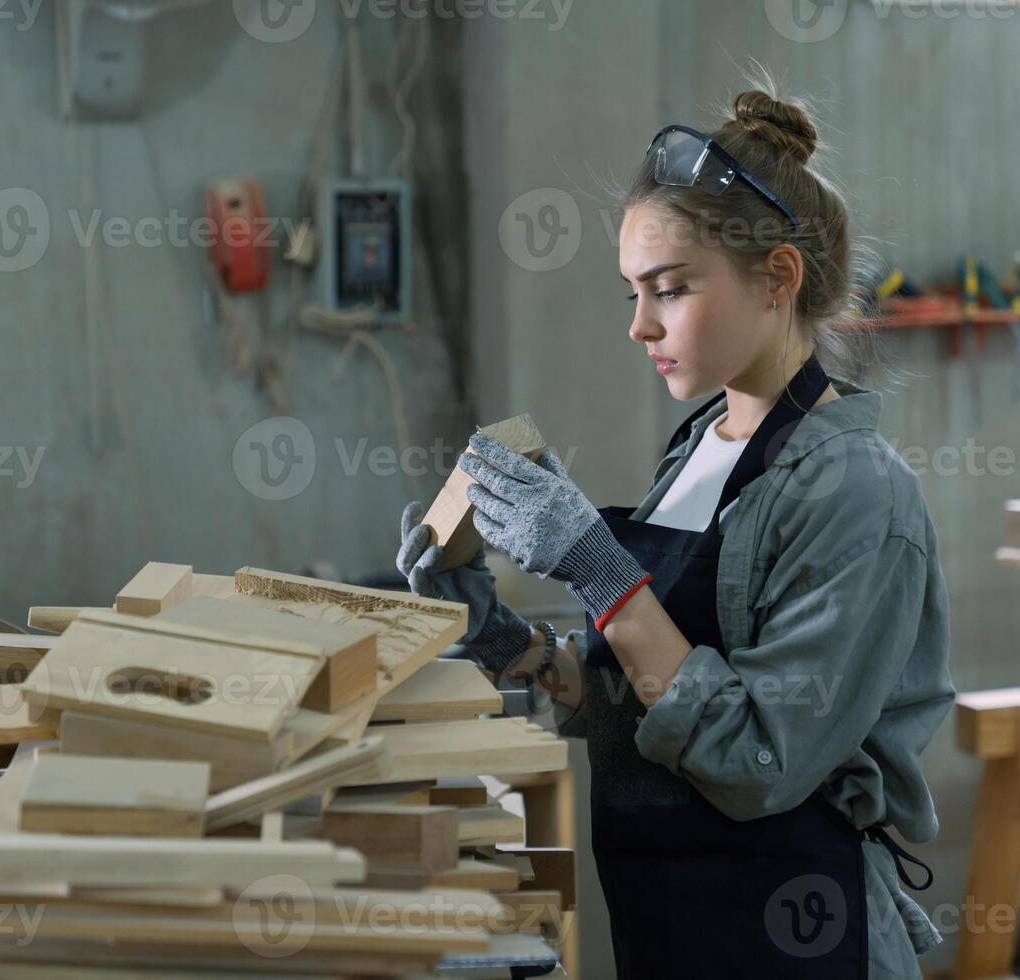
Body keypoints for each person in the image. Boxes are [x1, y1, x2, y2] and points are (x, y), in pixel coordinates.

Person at [397, 81, 954, 978]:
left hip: (795, 941)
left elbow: (757, 758)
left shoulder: (856, 495)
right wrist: (504, 640)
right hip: (670, 929)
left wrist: (592, 562)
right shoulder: (701, 444)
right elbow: (647, 696)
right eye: (633, 291)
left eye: (670, 290)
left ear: (778, 278)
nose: (640, 326)